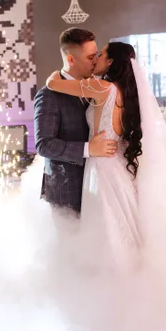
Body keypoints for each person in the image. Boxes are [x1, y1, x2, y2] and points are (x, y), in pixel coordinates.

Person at [46, 41, 166, 268]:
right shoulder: (124, 92)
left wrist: (53, 75)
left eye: (100, 54)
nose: (95, 58)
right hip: (117, 165)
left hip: (102, 168)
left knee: (108, 227)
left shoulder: (102, 88)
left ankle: (115, 275)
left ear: (110, 62)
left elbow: (53, 84)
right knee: (123, 225)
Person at [34, 28, 118, 213]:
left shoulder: (96, 86)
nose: (95, 61)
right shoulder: (48, 95)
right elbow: (44, 144)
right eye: (90, 57)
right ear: (71, 59)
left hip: (96, 186)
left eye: (96, 55)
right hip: (66, 191)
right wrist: (89, 148)